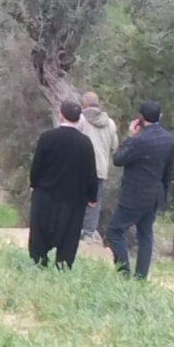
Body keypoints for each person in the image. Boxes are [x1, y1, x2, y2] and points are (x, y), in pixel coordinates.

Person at [106, 101, 174, 279]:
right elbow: (168, 171)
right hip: (155, 193)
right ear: (159, 117)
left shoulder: (140, 140)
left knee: (114, 231)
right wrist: (163, 194)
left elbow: (119, 159)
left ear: (141, 118)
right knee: (145, 235)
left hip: (134, 194)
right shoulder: (169, 139)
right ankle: (141, 277)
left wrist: (130, 136)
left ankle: (124, 273)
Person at [28, 101, 99, 269]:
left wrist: (34, 183)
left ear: (61, 115)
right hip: (73, 198)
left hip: (46, 193)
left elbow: (37, 164)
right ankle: (64, 264)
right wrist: (92, 195)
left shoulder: (48, 137)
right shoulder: (85, 142)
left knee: (40, 229)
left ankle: (39, 262)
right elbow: (91, 172)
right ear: (78, 118)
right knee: (69, 234)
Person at [77, 91, 119, 243]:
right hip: (100, 169)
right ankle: (89, 232)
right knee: (94, 201)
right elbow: (114, 146)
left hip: (80, 168)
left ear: (84, 104)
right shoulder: (110, 123)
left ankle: (75, 229)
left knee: (77, 199)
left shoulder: (80, 120)